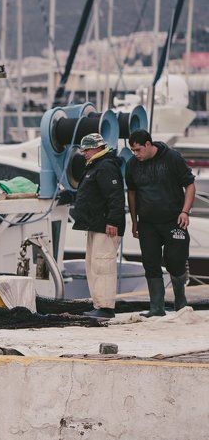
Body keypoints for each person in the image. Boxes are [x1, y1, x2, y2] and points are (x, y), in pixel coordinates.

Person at [126, 130, 196, 316]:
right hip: (147, 222)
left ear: (148, 144)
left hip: (174, 220)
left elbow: (190, 184)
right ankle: (156, 307)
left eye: (138, 150)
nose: (135, 154)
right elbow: (131, 192)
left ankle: (180, 301)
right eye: (132, 150)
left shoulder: (172, 157)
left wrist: (185, 211)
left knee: (175, 261)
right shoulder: (132, 164)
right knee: (150, 262)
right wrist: (134, 221)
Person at [70, 133, 126, 319]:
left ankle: (105, 307)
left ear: (97, 148)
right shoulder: (95, 166)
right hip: (96, 225)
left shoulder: (105, 166)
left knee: (103, 266)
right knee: (94, 265)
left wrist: (113, 221)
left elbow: (115, 195)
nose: (84, 153)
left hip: (105, 226)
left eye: (86, 149)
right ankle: (98, 304)